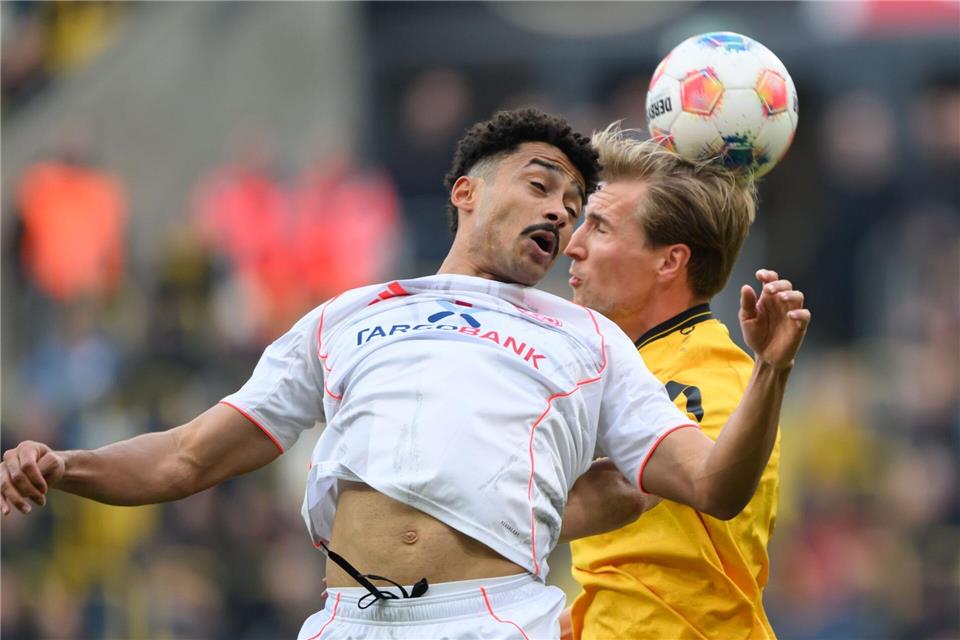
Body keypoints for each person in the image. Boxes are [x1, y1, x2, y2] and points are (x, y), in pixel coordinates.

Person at [1, 108, 809, 639]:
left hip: (493, 620)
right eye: (542, 184)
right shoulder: (346, 315)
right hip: (345, 619)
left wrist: (771, 373)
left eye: (576, 204)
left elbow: (713, 486)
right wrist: (64, 464)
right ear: (466, 192)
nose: (562, 213)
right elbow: (186, 457)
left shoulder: (590, 340)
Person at [559, 125, 786, 639]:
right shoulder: (621, 370)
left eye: (599, 227)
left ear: (670, 261)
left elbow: (630, 490)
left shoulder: (711, 377)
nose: (573, 245)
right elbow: (630, 571)